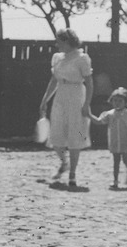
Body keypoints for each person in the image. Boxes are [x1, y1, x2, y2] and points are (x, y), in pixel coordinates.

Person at [39, 28, 93, 189]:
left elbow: (89, 83)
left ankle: (73, 173)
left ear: (68, 41)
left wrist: (86, 104)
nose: (57, 45)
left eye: (59, 41)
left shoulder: (82, 58)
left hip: (76, 95)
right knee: (55, 135)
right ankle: (65, 163)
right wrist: (45, 100)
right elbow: (53, 81)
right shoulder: (57, 58)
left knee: (75, 134)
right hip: (60, 96)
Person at [91, 87, 127, 189]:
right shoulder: (109, 114)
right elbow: (99, 121)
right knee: (116, 161)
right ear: (111, 101)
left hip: (126, 141)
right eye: (115, 100)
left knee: (125, 159)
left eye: (120, 101)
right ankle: (115, 181)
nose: (117, 103)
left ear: (125, 102)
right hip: (114, 142)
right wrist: (89, 115)